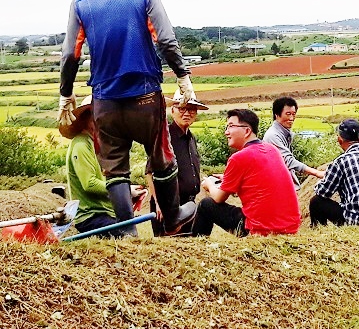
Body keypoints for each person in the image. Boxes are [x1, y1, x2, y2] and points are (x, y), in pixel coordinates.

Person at [58, 0, 197, 236]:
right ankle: (172, 217)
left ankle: (127, 232)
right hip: (145, 96)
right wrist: (183, 77)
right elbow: (165, 39)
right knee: (161, 155)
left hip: (105, 102)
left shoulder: (80, 1)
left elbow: (71, 53)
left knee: (114, 168)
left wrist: (66, 92)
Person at [192, 109, 300, 237]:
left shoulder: (239, 158)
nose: (226, 132)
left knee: (206, 205)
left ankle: (196, 245)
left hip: (261, 229)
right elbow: (258, 181)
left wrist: (209, 185)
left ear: (247, 131)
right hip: (290, 227)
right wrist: (228, 179)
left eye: (231, 126)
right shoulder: (272, 149)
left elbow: (219, 198)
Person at [62, 96, 147, 237]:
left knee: (130, 232)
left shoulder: (99, 144)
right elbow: (89, 184)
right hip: (91, 216)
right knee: (125, 236)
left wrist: (126, 194)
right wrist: (125, 191)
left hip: (106, 213)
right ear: (86, 118)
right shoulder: (81, 145)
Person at [309, 119, 359, 227]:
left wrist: (326, 177)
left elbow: (323, 192)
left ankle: (319, 231)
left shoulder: (341, 161)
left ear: (339, 140)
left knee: (316, 202)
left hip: (358, 222)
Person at [148, 90, 208, 236]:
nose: (187, 113)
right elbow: (149, 172)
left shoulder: (191, 138)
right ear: (172, 110)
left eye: (191, 109)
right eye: (182, 108)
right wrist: (158, 204)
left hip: (189, 206)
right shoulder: (164, 136)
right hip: (168, 207)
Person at [263, 96, 325, 189]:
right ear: (277, 114)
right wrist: (316, 172)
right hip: (278, 186)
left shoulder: (285, 133)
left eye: (294, 114)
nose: (291, 118)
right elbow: (288, 161)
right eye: (288, 114)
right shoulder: (273, 136)